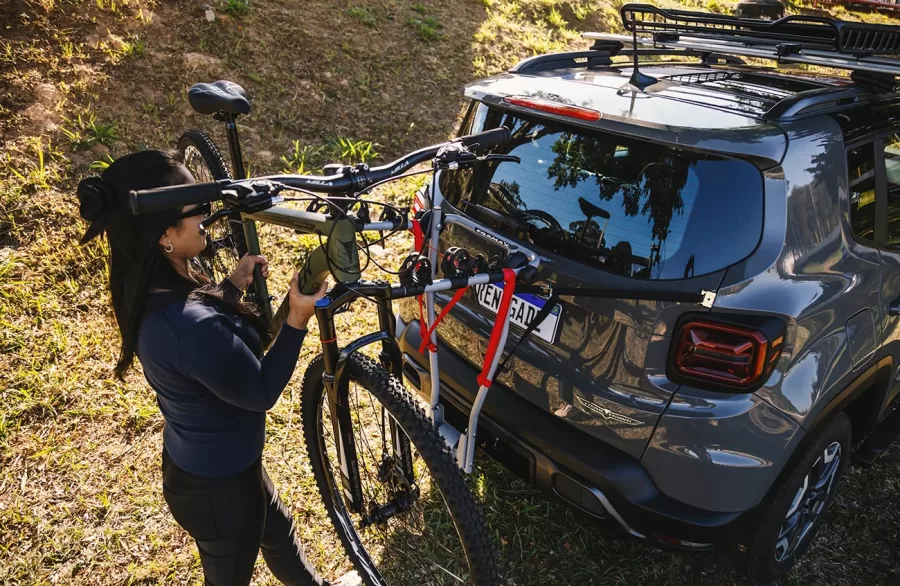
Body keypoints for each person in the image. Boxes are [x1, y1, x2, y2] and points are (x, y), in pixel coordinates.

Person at [76, 149, 331, 586]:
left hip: (216, 467)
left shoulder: (151, 287)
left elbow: (199, 344)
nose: (208, 219)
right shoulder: (189, 326)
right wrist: (296, 319)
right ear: (165, 234)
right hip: (220, 490)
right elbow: (261, 390)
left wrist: (231, 287)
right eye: (198, 212)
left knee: (279, 535)